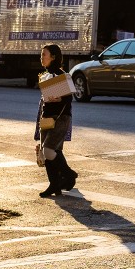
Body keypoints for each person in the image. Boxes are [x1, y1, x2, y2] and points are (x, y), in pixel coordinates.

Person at [35, 43, 78, 197]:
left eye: (44, 55)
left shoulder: (61, 75)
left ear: (53, 57)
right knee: (49, 153)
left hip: (60, 119)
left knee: (49, 149)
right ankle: (54, 185)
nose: (41, 58)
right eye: (41, 55)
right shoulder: (45, 75)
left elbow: (68, 101)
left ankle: (68, 174)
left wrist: (59, 98)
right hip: (46, 118)